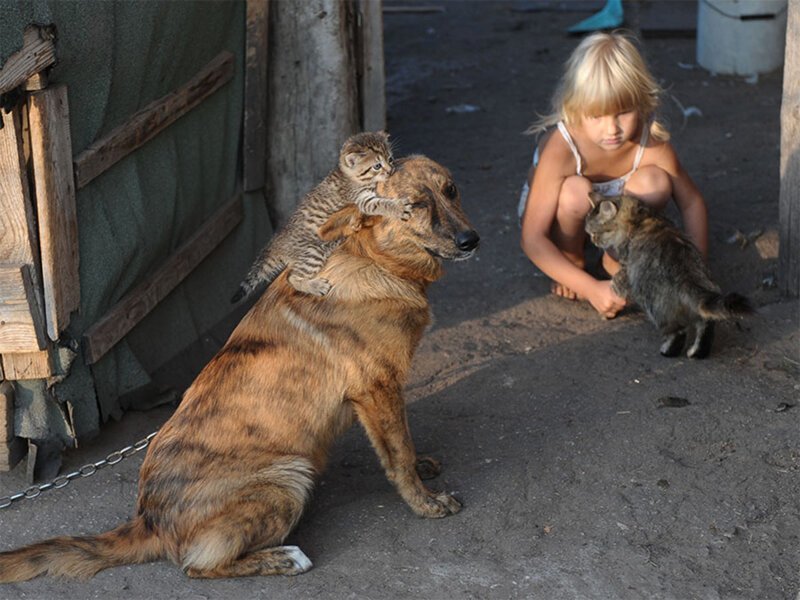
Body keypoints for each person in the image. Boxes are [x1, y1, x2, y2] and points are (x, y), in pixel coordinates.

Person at [519, 31, 708, 319]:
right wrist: (592, 289)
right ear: (575, 108)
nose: (612, 130)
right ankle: (572, 259)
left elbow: (692, 203)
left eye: (623, 113)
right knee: (575, 192)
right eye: (597, 115)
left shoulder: (651, 143)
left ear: (643, 103)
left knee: (655, 182)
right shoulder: (562, 148)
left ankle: (615, 257)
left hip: (615, 218)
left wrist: (696, 274)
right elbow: (532, 237)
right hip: (561, 212)